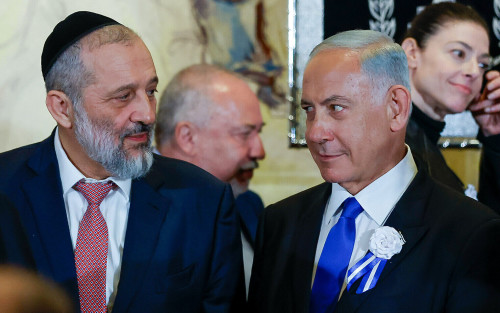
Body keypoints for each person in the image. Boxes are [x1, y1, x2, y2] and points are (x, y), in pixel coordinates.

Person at [0, 11, 242, 313]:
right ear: (62, 108)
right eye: (123, 96)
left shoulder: (204, 199)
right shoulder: (5, 188)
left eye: (151, 91)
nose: (148, 114)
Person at [247, 29, 500, 313]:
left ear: (396, 108)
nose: (316, 132)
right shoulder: (280, 221)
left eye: (336, 107)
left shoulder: (469, 233)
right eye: (309, 110)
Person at [155, 64, 266, 296]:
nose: (259, 150)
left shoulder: (250, 206)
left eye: (259, 133)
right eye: (244, 134)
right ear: (188, 138)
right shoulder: (135, 210)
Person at [401, 2, 500, 212]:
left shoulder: (422, 145)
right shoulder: (388, 149)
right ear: (412, 53)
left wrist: (494, 137)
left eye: (483, 64)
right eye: (459, 53)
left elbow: (487, 233)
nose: (474, 71)